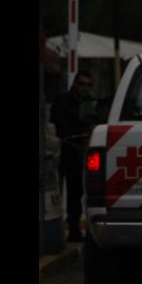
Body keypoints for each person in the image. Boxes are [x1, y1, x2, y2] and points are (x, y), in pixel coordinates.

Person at [50, 71, 94, 242]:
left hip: (81, 152)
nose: (85, 88)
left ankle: (76, 229)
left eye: (88, 85)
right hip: (64, 150)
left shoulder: (90, 103)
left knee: (79, 191)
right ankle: (66, 228)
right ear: (75, 84)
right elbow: (61, 126)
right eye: (82, 84)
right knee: (59, 191)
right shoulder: (63, 101)